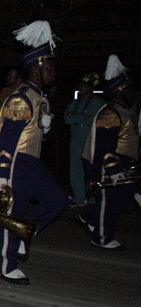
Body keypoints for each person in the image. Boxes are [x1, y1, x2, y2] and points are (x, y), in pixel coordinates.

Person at [0, 21, 67, 283]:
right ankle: (4, 266)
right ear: (36, 69)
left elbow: (37, 136)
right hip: (16, 162)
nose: (54, 73)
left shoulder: (40, 98)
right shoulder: (22, 98)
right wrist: (1, 171)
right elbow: (7, 137)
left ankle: (23, 234)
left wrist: (46, 128)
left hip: (33, 162)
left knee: (56, 200)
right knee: (12, 214)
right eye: (50, 68)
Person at [79, 56, 138, 250]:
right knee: (108, 200)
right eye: (128, 89)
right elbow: (103, 146)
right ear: (120, 91)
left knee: (126, 195)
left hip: (123, 164)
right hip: (108, 164)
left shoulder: (123, 110)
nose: (132, 93)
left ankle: (90, 217)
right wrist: (112, 168)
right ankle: (102, 238)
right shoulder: (111, 113)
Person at [64, 73, 103, 208]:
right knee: (75, 168)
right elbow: (67, 119)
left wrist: (76, 117)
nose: (80, 88)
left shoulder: (97, 102)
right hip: (75, 139)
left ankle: (93, 198)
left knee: (91, 169)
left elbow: (93, 120)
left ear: (90, 87)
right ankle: (79, 197)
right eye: (79, 85)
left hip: (90, 139)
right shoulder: (75, 102)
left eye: (83, 85)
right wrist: (82, 118)